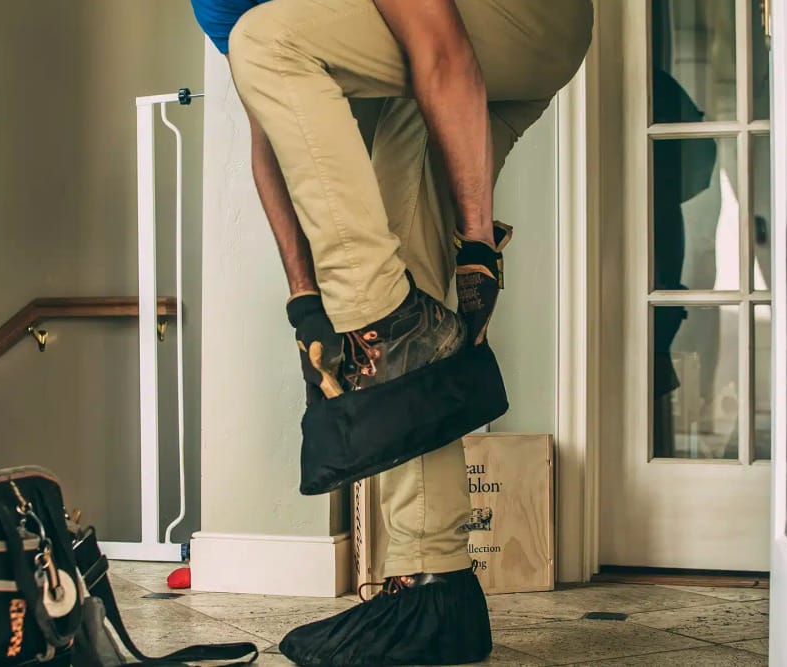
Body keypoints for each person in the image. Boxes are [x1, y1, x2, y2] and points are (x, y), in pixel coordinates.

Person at [190, 1, 593, 664]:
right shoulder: (222, 4)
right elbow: (276, 133)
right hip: (438, 40)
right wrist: (307, 305)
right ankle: (433, 587)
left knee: (268, 42)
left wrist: (477, 242)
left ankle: (391, 319)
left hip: (522, 16)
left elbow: (442, 47)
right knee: (396, 235)